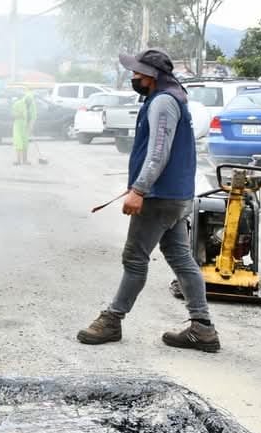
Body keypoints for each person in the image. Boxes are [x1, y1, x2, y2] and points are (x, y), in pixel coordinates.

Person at [77, 48, 219, 352]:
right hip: (176, 194)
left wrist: (139, 190)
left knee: (135, 258)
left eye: (136, 72)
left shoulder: (163, 102)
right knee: (181, 257)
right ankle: (202, 328)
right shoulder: (172, 97)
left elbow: (158, 152)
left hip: (159, 197)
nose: (133, 77)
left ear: (151, 75)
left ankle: (112, 320)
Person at [11, 89, 37, 166]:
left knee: (25, 143)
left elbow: (34, 116)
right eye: (27, 99)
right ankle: (18, 161)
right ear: (25, 98)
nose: (29, 101)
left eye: (30, 100)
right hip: (18, 126)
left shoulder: (32, 106)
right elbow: (13, 115)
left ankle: (25, 160)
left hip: (26, 127)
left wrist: (31, 126)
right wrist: (19, 115)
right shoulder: (18, 104)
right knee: (19, 143)